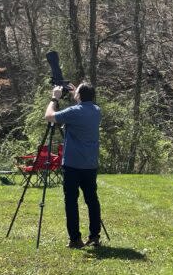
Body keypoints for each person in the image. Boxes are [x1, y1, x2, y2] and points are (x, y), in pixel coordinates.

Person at [45, 82, 102, 249]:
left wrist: (54, 98)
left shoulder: (73, 112)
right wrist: (75, 93)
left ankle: (75, 239)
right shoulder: (97, 111)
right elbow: (83, 106)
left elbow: (49, 116)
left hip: (73, 164)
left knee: (71, 201)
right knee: (92, 200)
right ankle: (94, 236)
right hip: (90, 164)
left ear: (78, 96)